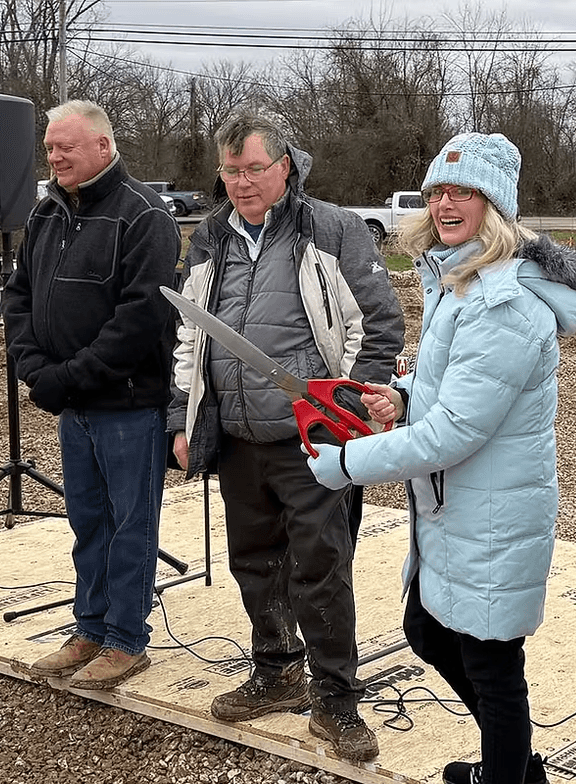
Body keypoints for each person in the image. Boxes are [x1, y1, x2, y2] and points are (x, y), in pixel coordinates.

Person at [306, 132, 576, 784]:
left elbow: (455, 431)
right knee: (430, 631)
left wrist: (347, 463)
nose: (445, 203)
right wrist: (403, 396)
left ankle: (508, 773)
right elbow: (453, 385)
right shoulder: (460, 280)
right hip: (455, 508)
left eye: (464, 191)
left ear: (495, 206)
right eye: (438, 190)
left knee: (493, 668)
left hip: (491, 515)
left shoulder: (502, 302)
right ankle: (513, 766)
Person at [168, 105, 404, 762]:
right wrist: (182, 416)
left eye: (254, 168)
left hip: (311, 440)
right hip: (237, 436)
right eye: (230, 171)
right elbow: (190, 335)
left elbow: (378, 328)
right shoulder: (210, 237)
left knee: (321, 567)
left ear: (286, 166)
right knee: (254, 561)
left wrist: (340, 412)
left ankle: (336, 700)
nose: (241, 182)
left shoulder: (332, 229)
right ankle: (275, 671)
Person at [6, 100, 179, 690]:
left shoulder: (144, 216)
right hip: (72, 404)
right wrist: (34, 367)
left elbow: (140, 319)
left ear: (103, 146)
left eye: (66, 147)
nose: (55, 158)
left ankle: (126, 639)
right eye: (50, 149)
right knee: (87, 520)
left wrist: (66, 377)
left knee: (131, 525)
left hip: (127, 405)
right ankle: (90, 627)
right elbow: (18, 297)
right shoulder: (46, 213)